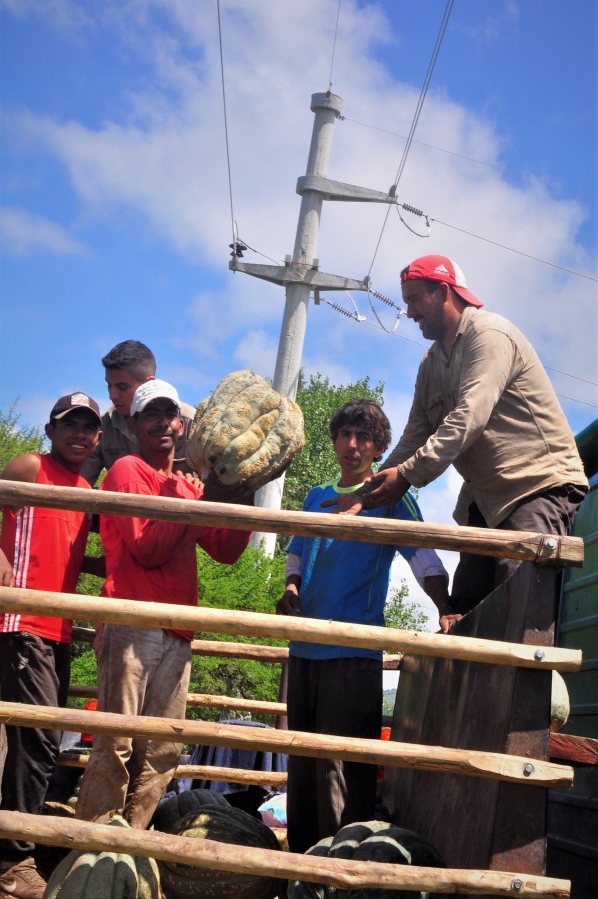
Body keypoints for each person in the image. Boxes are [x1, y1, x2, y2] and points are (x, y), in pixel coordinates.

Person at [327, 255, 588, 614]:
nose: (409, 312)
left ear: (444, 292)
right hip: (485, 501)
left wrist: (405, 476)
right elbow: (415, 434)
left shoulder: (490, 335)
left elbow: (469, 417)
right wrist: (366, 493)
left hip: (535, 487)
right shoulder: (430, 363)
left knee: (521, 603)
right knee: (466, 610)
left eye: (415, 299)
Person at [74, 379, 254, 829]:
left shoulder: (188, 485)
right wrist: (199, 499)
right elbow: (146, 550)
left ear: (182, 423)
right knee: (117, 742)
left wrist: (242, 488)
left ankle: (131, 850)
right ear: (133, 424)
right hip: (131, 621)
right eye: (150, 414)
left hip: (177, 628)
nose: (163, 424)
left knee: (162, 750)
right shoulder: (126, 470)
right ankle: (93, 849)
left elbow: (227, 551)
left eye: (170, 414)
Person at [276, 399, 452, 854]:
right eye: (345, 435)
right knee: (302, 762)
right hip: (305, 648)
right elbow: (297, 554)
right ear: (334, 440)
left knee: (341, 769)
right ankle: (300, 868)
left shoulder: (391, 498)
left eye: (364, 438)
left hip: (353, 652)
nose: (352, 445)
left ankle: (340, 868)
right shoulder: (317, 496)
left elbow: (425, 558)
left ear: (378, 448)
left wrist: (444, 606)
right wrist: (292, 589)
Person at [0, 392, 102, 898]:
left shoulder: (85, 488)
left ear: (98, 437)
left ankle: (19, 846)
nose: (79, 434)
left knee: (37, 739)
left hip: (57, 630)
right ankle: (14, 862)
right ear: (51, 429)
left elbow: (70, 553)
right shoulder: (29, 466)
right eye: (70, 425)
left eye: (88, 428)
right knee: (36, 740)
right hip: (21, 621)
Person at [81, 339, 196, 484]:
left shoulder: (193, 423)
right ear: (132, 425)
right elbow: (80, 484)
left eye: (122, 387)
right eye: (109, 386)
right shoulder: (103, 428)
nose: (112, 396)